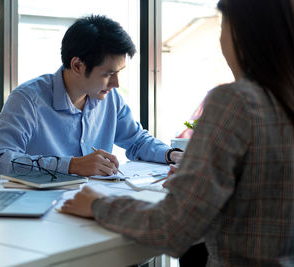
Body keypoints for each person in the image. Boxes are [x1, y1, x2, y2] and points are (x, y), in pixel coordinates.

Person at [60, 0, 294, 266]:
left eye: (222, 27)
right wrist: (197, 179)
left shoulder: (236, 102)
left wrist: (97, 205)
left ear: (241, 33)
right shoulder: (282, 100)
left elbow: (171, 226)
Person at [0, 15, 183, 180]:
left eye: (119, 72)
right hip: (40, 211)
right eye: (108, 74)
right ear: (78, 65)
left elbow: (137, 141)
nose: (116, 84)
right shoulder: (28, 100)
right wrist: (71, 165)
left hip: (91, 202)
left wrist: (171, 155)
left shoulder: (109, 98)